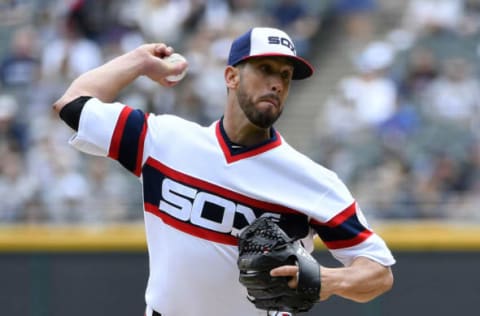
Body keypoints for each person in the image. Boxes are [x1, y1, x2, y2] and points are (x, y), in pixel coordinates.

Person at [53, 27, 395, 316]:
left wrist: (328, 280)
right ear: (231, 76)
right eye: (265, 69)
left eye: (285, 76)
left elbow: (378, 272)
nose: (276, 83)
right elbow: (73, 104)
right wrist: (139, 61)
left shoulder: (313, 181)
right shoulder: (163, 141)